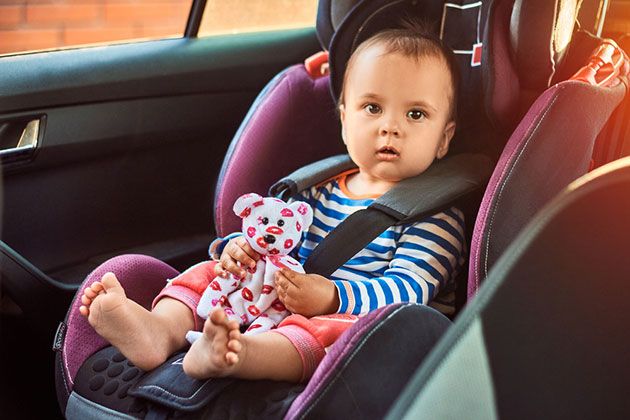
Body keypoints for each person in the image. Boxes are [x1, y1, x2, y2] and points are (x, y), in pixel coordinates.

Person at [79, 23, 464, 383]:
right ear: (345, 120)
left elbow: (409, 292)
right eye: (373, 108)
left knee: (330, 334)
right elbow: (270, 239)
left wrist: (331, 297)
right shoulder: (317, 187)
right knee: (209, 272)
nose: (390, 126)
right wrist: (238, 252)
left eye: (416, 114)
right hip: (273, 297)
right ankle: (159, 330)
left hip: (348, 319)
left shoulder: (435, 214)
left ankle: (238, 355)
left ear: (444, 138)